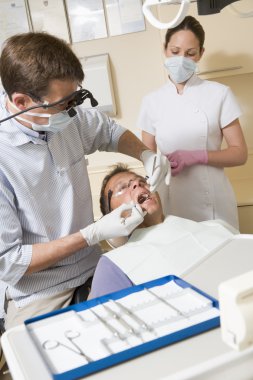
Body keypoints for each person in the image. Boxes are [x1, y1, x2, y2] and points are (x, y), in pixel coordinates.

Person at [0, 32, 170, 329]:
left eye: (74, 99)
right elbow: (10, 261)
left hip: (95, 266)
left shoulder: (69, 118)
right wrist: (91, 234)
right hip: (42, 292)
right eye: (62, 104)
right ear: (22, 101)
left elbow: (110, 132)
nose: (72, 111)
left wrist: (145, 155)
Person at [137, 15, 248, 230]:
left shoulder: (219, 94)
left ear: (200, 54)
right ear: (165, 49)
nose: (181, 59)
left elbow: (239, 153)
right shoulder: (151, 102)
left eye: (190, 54)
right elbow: (147, 160)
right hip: (172, 201)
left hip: (214, 201)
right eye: (175, 51)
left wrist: (197, 156)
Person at [89, 164, 238, 299]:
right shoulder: (114, 265)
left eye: (141, 180)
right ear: (112, 216)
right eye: (122, 188)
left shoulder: (215, 226)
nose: (137, 183)